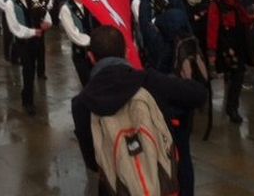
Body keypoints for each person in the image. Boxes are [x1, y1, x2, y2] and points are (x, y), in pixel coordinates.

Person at [71, 26, 207, 196]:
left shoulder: (80, 104)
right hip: (163, 184)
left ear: (91, 58)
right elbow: (199, 94)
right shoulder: (150, 81)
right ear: (127, 52)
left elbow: (92, 162)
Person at [207, 0, 253, 123]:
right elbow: (212, 28)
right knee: (237, 74)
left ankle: (231, 106)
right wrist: (212, 51)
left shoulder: (236, 2)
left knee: (236, 76)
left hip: (239, 42)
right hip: (226, 45)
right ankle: (232, 108)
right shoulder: (217, 4)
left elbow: (244, 17)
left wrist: (253, 18)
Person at [4, 0, 52, 115]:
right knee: (28, 71)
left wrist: (47, 22)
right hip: (23, 42)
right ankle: (28, 102)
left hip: (35, 40)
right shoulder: (10, 4)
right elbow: (14, 27)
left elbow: (44, 12)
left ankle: (27, 96)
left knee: (34, 68)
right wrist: (33, 32)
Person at [59, 0, 99, 86]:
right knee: (88, 84)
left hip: (97, 51)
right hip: (81, 52)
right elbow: (73, 35)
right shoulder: (66, 9)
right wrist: (94, 41)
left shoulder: (91, 4)